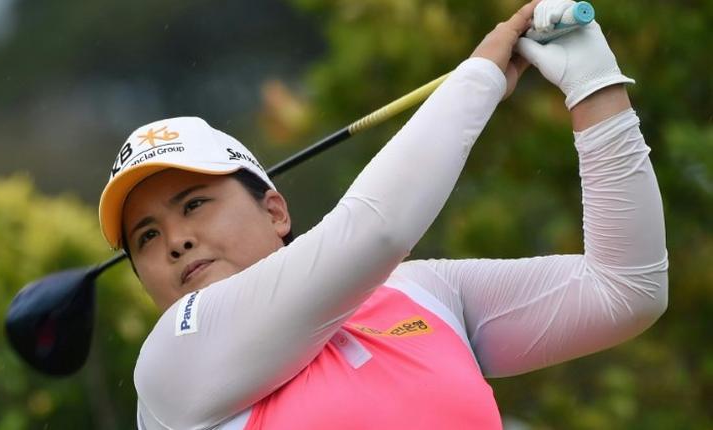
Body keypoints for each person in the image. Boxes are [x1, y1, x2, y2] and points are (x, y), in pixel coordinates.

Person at [97, 0, 668, 428]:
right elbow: (377, 227)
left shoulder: (422, 292)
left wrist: (594, 84)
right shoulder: (174, 359)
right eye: (145, 237)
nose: (174, 241)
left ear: (275, 210)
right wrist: (479, 78)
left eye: (193, 204)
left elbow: (624, 290)